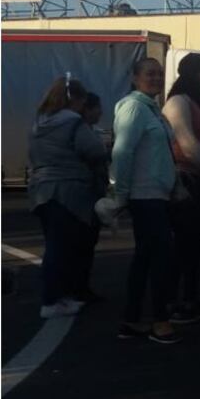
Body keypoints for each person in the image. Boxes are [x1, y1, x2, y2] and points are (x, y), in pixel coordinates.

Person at [112, 58, 181, 344]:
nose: (155, 78)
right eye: (149, 74)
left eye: (159, 74)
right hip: (144, 195)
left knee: (145, 257)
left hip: (158, 194)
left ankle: (131, 319)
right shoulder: (133, 108)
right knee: (162, 257)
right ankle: (160, 319)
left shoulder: (151, 109)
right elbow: (122, 152)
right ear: (135, 77)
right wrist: (120, 193)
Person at [27, 76, 108, 318]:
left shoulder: (39, 123)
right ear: (75, 100)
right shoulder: (72, 122)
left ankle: (58, 296)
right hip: (68, 190)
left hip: (41, 189)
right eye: (82, 102)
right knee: (62, 247)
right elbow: (95, 151)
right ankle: (52, 300)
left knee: (54, 244)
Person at [162, 53, 200, 324]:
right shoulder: (178, 102)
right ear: (193, 73)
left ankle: (192, 296)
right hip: (185, 180)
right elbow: (185, 140)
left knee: (198, 243)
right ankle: (172, 302)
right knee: (183, 243)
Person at [75, 92, 109, 304]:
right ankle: (77, 288)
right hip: (85, 194)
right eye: (97, 108)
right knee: (82, 243)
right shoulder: (80, 131)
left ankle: (81, 286)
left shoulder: (91, 130)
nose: (100, 112)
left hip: (92, 192)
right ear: (86, 109)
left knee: (88, 243)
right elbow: (96, 154)